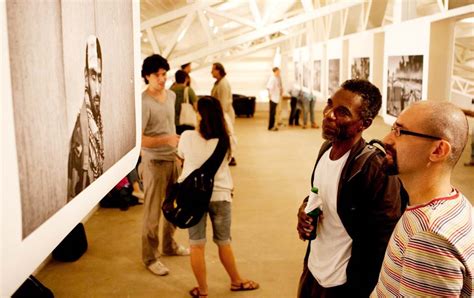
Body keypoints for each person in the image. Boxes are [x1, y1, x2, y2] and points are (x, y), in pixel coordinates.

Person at [296, 79, 405, 297]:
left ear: (364, 124)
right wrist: (305, 209)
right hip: (313, 271)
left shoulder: (375, 168)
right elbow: (319, 195)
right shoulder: (326, 149)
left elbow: (384, 239)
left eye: (342, 112)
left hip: (344, 284)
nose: (329, 114)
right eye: (329, 105)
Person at [372, 101, 474, 297]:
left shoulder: (428, 238)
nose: (386, 139)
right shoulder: (455, 205)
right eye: (392, 129)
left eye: (400, 132)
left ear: (438, 151)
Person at [177, 96, 258, 297]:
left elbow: (181, 157)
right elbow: (228, 160)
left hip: (193, 199)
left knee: (196, 245)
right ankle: (236, 281)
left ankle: (203, 290)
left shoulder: (187, 136)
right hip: (221, 194)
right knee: (223, 242)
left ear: (199, 114)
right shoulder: (228, 140)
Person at [140, 54, 189, 277]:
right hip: (154, 162)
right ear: (147, 76)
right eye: (157, 75)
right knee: (152, 214)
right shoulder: (143, 103)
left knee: (173, 207)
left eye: (164, 74)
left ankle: (169, 245)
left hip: (173, 159)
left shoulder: (170, 96)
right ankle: (150, 257)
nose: (162, 79)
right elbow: (138, 140)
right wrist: (165, 140)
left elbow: (170, 128)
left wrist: (178, 153)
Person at [67, 35, 104, 201]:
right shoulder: (81, 119)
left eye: (100, 78)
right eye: (93, 77)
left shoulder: (96, 117)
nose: (97, 87)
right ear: (85, 76)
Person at [211, 62, 237, 166]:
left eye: (213, 70)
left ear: (218, 70)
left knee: (227, 135)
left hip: (224, 115)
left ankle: (231, 157)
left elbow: (223, 103)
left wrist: (221, 118)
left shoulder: (223, 84)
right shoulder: (218, 83)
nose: (211, 72)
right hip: (221, 114)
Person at [170, 70, 197, 135]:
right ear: (186, 79)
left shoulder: (170, 91)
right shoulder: (188, 90)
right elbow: (196, 107)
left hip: (173, 123)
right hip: (186, 122)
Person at [267, 67, 283, 131]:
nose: (279, 73)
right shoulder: (272, 79)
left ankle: (273, 125)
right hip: (273, 98)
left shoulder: (277, 78)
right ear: (275, 71)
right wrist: (270, 96)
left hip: (276, 98)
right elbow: (269, 88)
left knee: (274, 113)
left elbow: (278, 86)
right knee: (272, 113)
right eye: (278, 71)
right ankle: (270, 127)